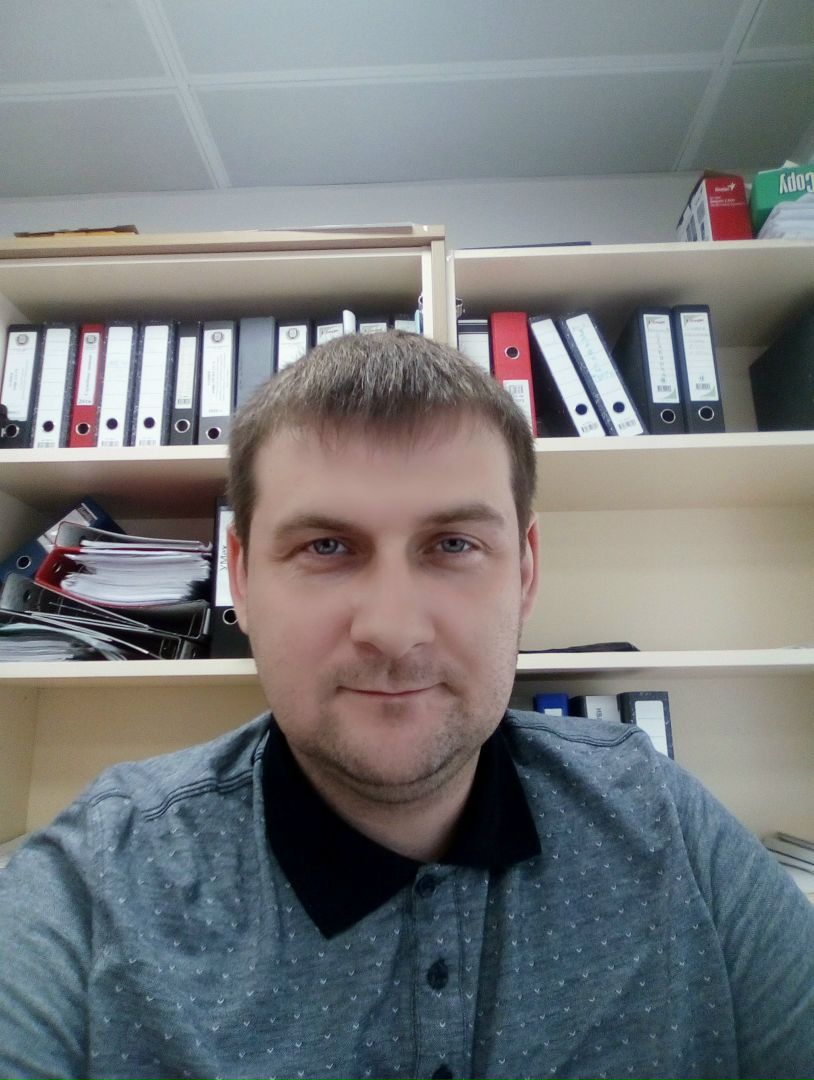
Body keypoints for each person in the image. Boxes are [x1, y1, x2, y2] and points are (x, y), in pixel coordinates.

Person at [0, 330, 812, 1080]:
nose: (393, 630)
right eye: (326, 546)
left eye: (453, 545)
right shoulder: (92, 888)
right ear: (239, 577)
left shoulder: (664, 824)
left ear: (525, 570)